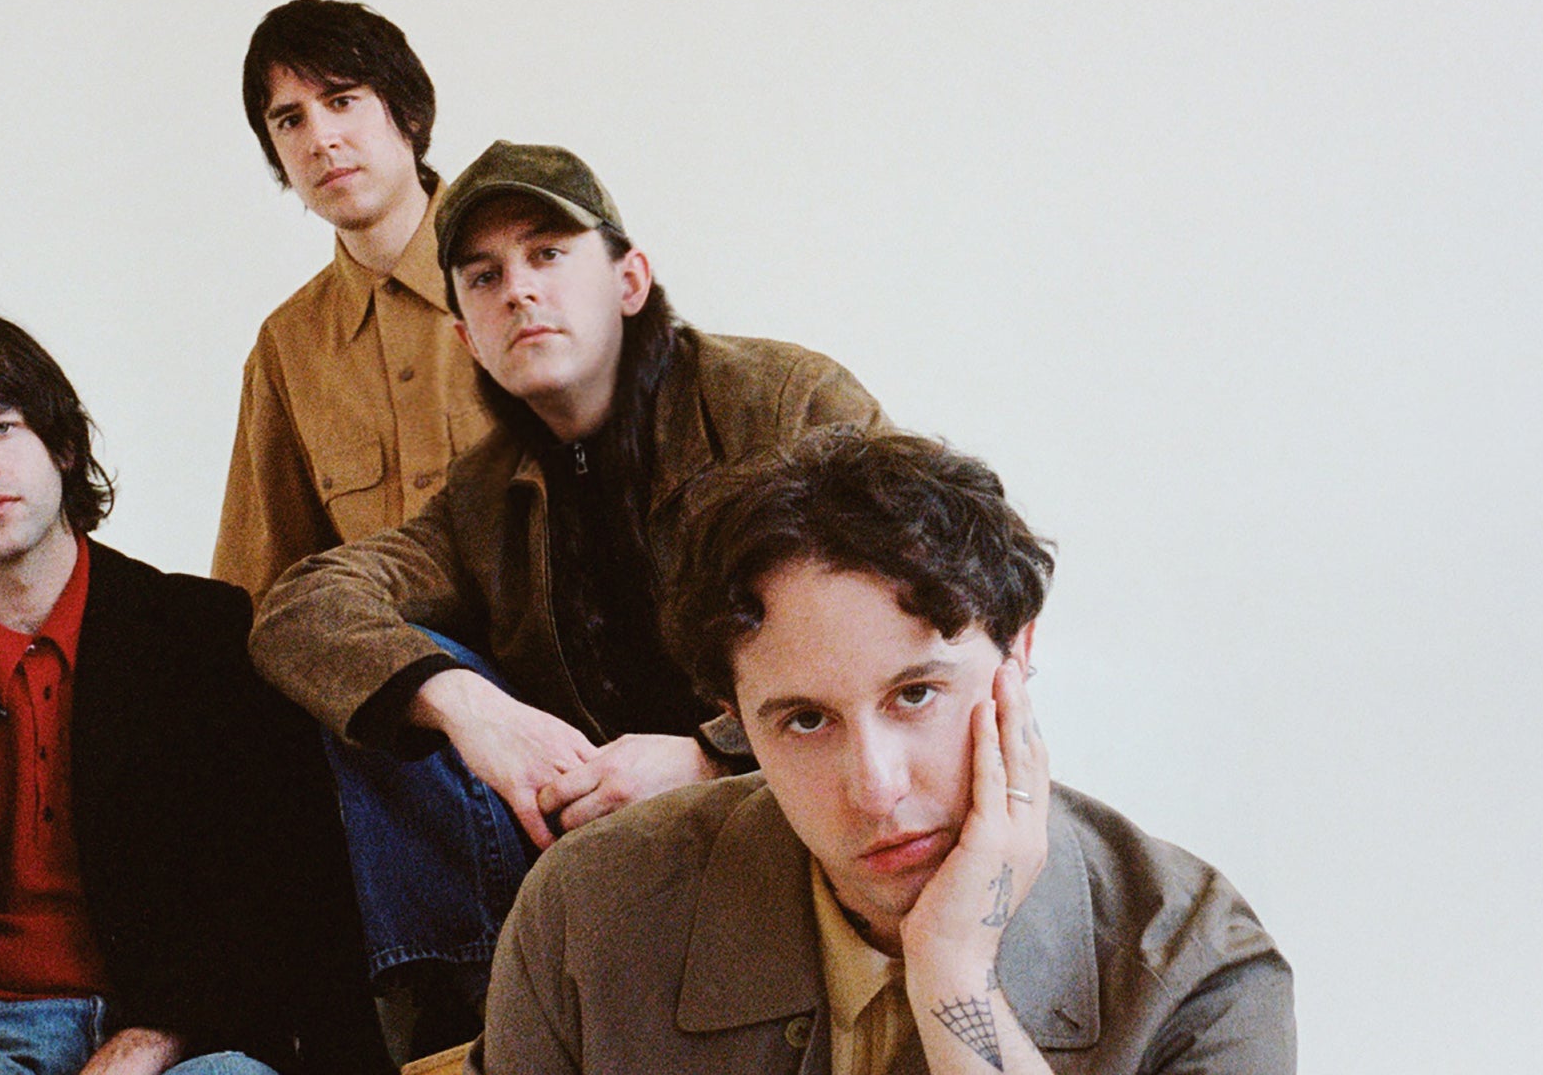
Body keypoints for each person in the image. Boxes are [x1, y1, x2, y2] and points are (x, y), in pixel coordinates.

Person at [248, 141, 886, 1045]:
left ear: (630, 280)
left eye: (548, 254)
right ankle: (470, 1025)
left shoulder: (782, 403)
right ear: (465, 336)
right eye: (484, 276)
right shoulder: (483, 496)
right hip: (605, 866)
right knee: (380, 691)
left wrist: (709, 756)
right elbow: (304, 604)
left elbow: (918, 610)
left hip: (802, 815)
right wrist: (467, 706)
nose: (518, 290)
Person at [470, 428, 1296, 1074]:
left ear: (1017, 655)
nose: (875, 788)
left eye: (917, 695)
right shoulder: (590, 912)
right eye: (805, 721)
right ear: (735, 720)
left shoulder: (1198, 971)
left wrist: (956, 978)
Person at [0, 307, 387, 1075]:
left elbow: (272, 888)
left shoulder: (201, 634)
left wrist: (150, 1042)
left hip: (173, 1038)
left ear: (60, 444)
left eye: (1, 427)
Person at [215, 0, 492, 602]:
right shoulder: (288, 348)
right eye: (290, 120)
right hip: (386, 656)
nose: (320, 139)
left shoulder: (531, 277)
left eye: (341, 101)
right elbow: (262, 591)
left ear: (409, 112)